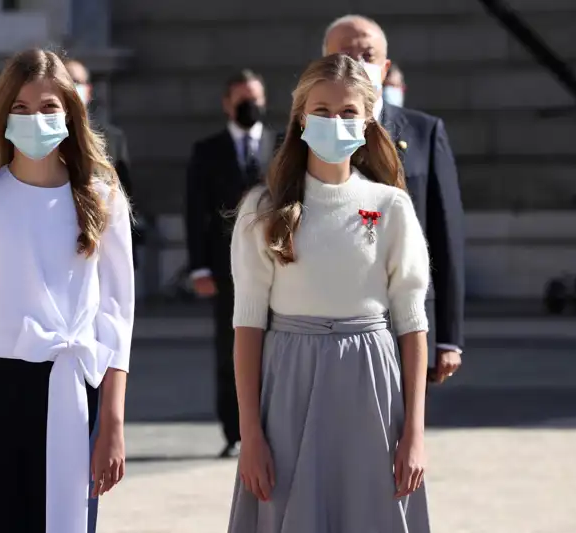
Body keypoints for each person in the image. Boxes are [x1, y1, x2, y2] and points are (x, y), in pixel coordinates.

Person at [0, 48, 134, 533]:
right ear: (2, 117)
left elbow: (116, 317)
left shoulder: (103, 199)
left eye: (47, 107)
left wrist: (112, 422)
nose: (35, 119)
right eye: (19, 109)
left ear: (70, 113)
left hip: (73, 390)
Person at [227, 53, 431, 533]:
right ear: (300, 118)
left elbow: (412, 322)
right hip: (289, 384)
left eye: (347, 113)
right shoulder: (263, 209)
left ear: (368, 121)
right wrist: (250, 432)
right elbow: (248, 325)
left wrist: (414, 433)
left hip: (371, 387)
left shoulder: (390, 207)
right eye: (321, 111)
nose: (334, 123)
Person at [324, 15, 465, 383]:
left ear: (385, 68)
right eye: (344, 54)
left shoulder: (423, 132)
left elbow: (445, 233)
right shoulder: (301, 135)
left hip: (406, 316)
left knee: (402, 431)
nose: (357, 64)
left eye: (367, 54)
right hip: (326, 319)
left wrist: (448, 336)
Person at [184, 69, 278, 459]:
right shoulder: (208, 150)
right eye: (241, 99)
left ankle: (273, 424)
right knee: (231, 346)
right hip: (226, 269)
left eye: (254, 98)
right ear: (227, 103)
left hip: (276, 264)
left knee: (276, 345)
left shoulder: (281, 144)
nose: (249, 106)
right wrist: (199, 268)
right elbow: (195, 212)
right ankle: (235, 430)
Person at [64, 57, 143, 269]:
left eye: (77, 81)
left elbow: (126, 197)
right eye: (65, 81)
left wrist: (128, 255)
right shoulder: (45, 139)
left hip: (101, 244)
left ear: (88, 91)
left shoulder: (112, 138)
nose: (71, 88)